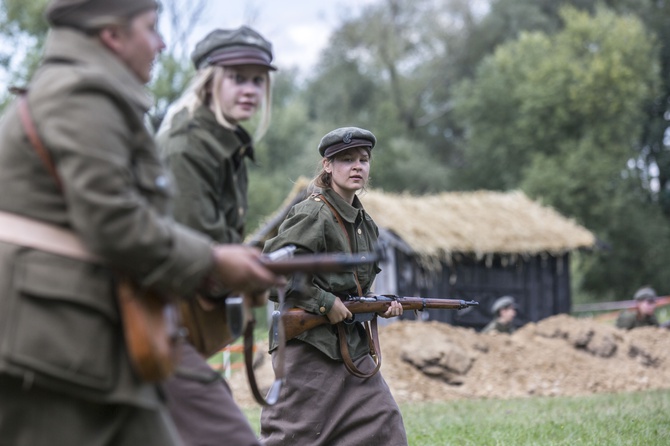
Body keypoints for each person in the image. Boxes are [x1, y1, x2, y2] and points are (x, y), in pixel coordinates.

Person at [0, 2, 283, 445]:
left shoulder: (87, 92)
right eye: (151, 29)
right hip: (47, 337)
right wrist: (214, 259)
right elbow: (113, 220)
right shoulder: (82, 94)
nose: (162, 43)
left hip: (72, 328)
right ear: (113, 35)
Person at [157, 26, 276, 446]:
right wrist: (252, 273)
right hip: (151, 318)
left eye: (257, 79)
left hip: (171, 323)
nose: (250, 89)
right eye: (237, 77)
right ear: (210, 81)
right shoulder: (189, 145)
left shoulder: (224, 144)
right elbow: (197, 254)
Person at [260, 127, 408, 446]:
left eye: (363, 159)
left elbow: (356, 289)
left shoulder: (364, 223)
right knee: (294, 436)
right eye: (347, 159)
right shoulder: (313, 213)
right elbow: (272, 272)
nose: (358, 166)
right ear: (327, 165)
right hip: (311, 346)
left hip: (351, 348)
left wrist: (378, 305)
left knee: (385, 426)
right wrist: (325, 302)